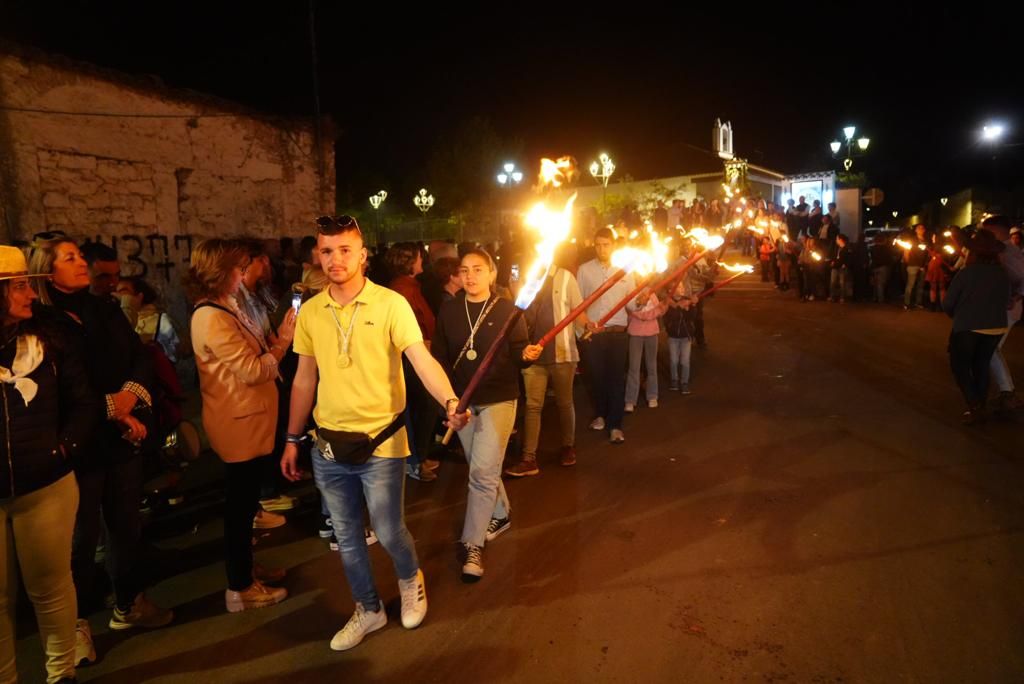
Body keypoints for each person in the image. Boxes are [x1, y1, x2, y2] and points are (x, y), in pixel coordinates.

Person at [280, 215, 469, 652]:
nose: (335, 259)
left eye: (345, 250)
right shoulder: (310, 311)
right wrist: (292, 439)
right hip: (327, 446)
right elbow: (304, 380)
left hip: (382, 444)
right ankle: (368, 608)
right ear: (317, 257)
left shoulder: (390, 304)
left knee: (387, 529)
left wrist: (450, 401)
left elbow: (420, 359)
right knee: (346, 538)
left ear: (363, 256)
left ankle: (409, 580)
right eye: (327, 251)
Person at [28, 235, 172, 667]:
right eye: (69, 258)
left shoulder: (103, 310)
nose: (81, 264)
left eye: (78, 256)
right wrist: (112, 409)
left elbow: (139, 358)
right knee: (79, 541)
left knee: (126, 526)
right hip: (80, 447)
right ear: (47, 270)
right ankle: (75, 626)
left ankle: (128, 603)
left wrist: (130, 396)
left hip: (120, 441)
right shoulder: (40, 321)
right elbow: (61, 389)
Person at [0, 245, 98, 684]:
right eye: (18, 286)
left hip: (46, 487)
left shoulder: (48, 342)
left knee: (52, 588)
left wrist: (62, 451)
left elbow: (83, 403)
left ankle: (62, 675)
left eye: (27, 284)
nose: (29, 294)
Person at [187, 238, 297, 612]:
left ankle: (247, 570)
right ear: (219, 271)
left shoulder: (226, 307)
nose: (242, 273)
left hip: (248, 420)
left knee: (247, 506)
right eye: (237, 267)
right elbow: (251, 370)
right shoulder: (211, 316)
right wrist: (282, 344)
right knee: (239, 509)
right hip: (238, 424)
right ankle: (240, 587)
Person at [433, 248, 541, 581]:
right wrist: (449, 403)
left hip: (498, 398)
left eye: (478, 269)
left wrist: (527, 354)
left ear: (492, 274)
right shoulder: (449, 310)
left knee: (481, 473)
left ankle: (473, 545)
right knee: (485, 465)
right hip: (462, 403)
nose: (470, 276)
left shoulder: (508, 308)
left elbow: (518, 354)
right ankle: (500, 513)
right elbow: (439, 358)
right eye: (464, 270)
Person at [506, 257, 583, 477]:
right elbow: (518, 311)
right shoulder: (526, 279)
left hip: (562, 354)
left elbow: (578, 311)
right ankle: (528, 458)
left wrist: (588, 325)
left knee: (564, 402)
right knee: (532, 405)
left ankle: (568, 446)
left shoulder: (566, 278)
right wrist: (514, 288)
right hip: (532, 354)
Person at [942, 230, 1010, 424]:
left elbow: (948, 303)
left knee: (960, 366)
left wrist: (955, 314)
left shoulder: (967, 273)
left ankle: (974, 405)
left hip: (968, 327)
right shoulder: (1001, 274)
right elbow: (1005, 300)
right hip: (996, 327)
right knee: (981, 365)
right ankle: (980, 404)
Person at [579, 227, 633, 444]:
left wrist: (641, 300)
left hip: (618, 333)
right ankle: (600, 414)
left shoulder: (626, 270)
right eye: (598, 245)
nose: (602, 249)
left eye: (606, 244)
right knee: (597, 377)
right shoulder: (584, 270)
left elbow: (632, 302)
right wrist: (585, 327)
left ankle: (615, 424)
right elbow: (580, 303)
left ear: (614, 245)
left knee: (616, 378)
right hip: (595, 334)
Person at [980, 215, 1024, 417]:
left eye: (986, 231)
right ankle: (1005, 393)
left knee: (989, 347)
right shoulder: (1002, 250)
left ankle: (1008, 394)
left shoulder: (1008, 251)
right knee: (990, 347)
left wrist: (1016, 295)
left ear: (997, 231)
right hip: (1001, 307)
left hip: (1007, 308)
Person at [624, 289, 665, 412]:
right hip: (636, 333)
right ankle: (630, 400)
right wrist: (646, 315)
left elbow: (659, 311)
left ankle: (652, 396)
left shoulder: (652, 294)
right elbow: (632, 311)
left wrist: (648, 314)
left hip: (652, 333)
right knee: (634, 367)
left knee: (651, 366)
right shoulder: (632, 294)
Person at [663, 280, 698, 394]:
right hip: (673, 336)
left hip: (685, 336)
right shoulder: (668, 303)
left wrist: (692, 306)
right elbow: (669, 318)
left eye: (682, 287)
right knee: (673, 360)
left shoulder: (686, 300)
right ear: (671, 291)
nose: (682, 289)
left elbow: (692, 317)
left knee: (685, 361)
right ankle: (674, 379)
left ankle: (684, 382)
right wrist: (678, 307)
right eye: (678, 287)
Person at [902, 224, 930, 310]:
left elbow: (928, 253)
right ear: (916, 230)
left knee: (920, 285)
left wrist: (926, 263)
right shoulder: (912, 239)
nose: (921, 229)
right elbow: (906, 251)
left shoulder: (926, 241)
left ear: (924, 230)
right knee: (911, 284)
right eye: (919, 228)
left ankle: (918, 302)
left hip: (922, 265)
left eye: (922, 228)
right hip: (913, 265)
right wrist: (908, 262)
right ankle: (907, 303)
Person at [829, 234, 852, 303]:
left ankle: (842, 297)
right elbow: (835, 256)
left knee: (842, 283)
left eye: (837, 239)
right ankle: (832, 296)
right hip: (835, 267)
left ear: (841, 240)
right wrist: (833, 261)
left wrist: (845, 264)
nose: (836, 240)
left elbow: (847, 258)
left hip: (842, 268)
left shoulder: (846, 249)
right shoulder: (837, 248)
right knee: (832, 282)